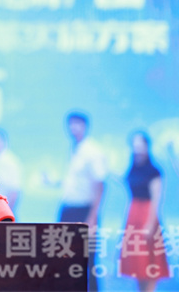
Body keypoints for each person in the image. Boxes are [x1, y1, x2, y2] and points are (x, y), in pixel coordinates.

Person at [57, 111, 107, 292]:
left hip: (84, 211)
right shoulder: (73, 148)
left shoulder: (92, 150)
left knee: (88, 258)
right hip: (68, 209)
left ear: (85, 126)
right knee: (64, 257)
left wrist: (92, 217)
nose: (73, 128)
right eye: (70, 124)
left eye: (77, 124)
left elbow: (100, 185)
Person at [119, 131, 169, 292]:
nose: (138, 149)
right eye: (135, 145)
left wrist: (150, 223)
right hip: (133, 214)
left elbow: (156, 199)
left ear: (147, 146)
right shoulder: (132, 168)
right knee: (137, 264)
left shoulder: (153, 171)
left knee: (150, 262)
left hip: (147, 214)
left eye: (141, 145)